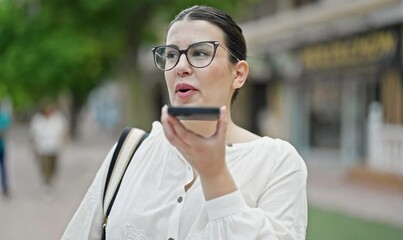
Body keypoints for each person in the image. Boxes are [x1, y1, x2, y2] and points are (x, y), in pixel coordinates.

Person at [63, 5, 307, 240]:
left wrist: (215, 174)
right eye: (171, 55)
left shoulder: (277, 163)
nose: (180, 67)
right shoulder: (130, 151)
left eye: (199, 53)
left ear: (239, 74)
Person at [29, 102, 68, 188]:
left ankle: (51, 179)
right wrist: (33, 146)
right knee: (44, 165)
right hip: (42, 147)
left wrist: (63, 143)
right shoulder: (38, 120)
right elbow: (33, 134)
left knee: (53, 166)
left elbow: (63, 132)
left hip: (54, 147)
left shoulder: (58, 119)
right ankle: (47, 181)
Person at [0, 100, 12, 197]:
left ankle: (5, 187)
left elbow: (5, 131)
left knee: (3, 167)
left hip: (1, 147)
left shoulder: (4, 117)